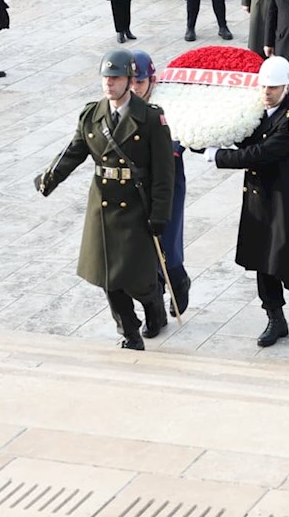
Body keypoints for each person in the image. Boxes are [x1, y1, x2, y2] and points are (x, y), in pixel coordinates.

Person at [34, 49, 174, 351]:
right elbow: (74, 151)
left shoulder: (150, 118)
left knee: (139, 276)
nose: (109, 84)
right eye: (106, 78)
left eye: (116, 78)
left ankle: (153, 305)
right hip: (104, 205)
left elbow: (164, 172)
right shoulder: (92, 115)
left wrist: (161, 212)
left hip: (137, 205)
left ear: (129, 80)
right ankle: (129, 332)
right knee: (108, 275)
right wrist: (49, 178)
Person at [206, 56, 289, 347]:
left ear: (286, 88)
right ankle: (275, 318)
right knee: (261, 259)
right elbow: (241, 138)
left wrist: (217, 156)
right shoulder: (255, 114)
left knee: (282, 255)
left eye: (273, 88)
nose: (267, 92)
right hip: (256, 197)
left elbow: (259, 154)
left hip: (282, 198)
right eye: (264, 87)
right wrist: (207, 136)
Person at [129, 50, 192, 315]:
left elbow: (176, 138)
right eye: (130, 80)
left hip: (167, 183)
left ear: (152, 81)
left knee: (167, 243)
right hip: (135, 185)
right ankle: (154, 310)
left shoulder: (168, 105)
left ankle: (177, 280)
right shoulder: (121, 103)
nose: (134, 87)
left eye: (140, 82)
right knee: (140, 250)